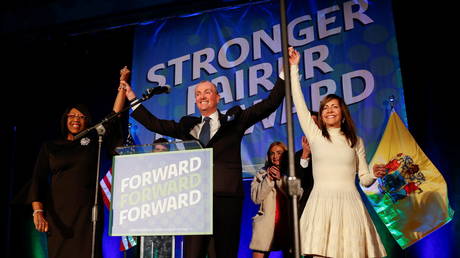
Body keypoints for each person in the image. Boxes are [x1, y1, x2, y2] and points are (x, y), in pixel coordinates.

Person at [119, 48, 300, 258]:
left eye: (207, 92)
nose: (201, 96)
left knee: (224, 253)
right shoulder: (187, 125)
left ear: (217, 97)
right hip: (195, 200)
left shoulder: (234, 120)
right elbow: (154, 124)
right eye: (197, 94)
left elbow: (269, 104)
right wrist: (132, 97)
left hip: (226, 198)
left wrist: (286, 72)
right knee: (193, 254)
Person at [27, 67, 129, 258]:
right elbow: (38, 180)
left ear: (87, 121)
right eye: (72, 116)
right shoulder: (51, 146)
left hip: (87, 215)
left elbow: (114, 116)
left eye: (81, 117)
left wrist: (122, 85)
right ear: (65, 119)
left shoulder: (92, 140)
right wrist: (37, 211)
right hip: (58, 216)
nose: (76, 120)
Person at [290, 70, 387, 257]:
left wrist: (374, 174)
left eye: (334, 106)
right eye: (325, 108)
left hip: (350, 205)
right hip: (321, 202)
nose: (329, 110)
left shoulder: (356, 141)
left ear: (343, 113)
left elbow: (365, 180)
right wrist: (294, 70)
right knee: (318, 253)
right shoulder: (316, 136)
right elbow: (300, 104)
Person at [250, 141, 297, 258]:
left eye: (279, 153)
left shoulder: (293, 172)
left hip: (287, 225)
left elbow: (297, 195)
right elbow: (255, 198)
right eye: (272, 153)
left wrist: (280, 179)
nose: (275, 156)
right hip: (265, 224)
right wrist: (268, 180)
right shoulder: (261, 174)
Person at [294, 111, 318, 217]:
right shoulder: (298, 156)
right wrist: (305, 155)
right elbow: (299, 183)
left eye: (314, 124)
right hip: (308, 208)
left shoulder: (332, 149)